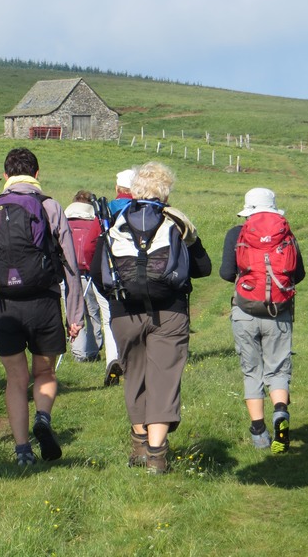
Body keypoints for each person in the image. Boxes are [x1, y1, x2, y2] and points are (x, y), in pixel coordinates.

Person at [91, 161, 212, 474]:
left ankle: (138, 440)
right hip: (169, 312)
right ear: (166, 193)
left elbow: (97, 272)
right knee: (164, 378)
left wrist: (118, 305)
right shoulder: (176, 223)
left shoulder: (114, 221)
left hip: (123, 312)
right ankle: (156, 455)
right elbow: (204, 268)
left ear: (133, 191)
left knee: (134, 374)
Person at [0, 148, 84, 465]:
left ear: (5, 177)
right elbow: (70, 264)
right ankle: (43, 419)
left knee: (16, 379)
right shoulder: (49, 206)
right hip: (43, 302)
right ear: (36, 174)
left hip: (1, 306)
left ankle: (22, 451)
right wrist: (75, 315)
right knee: (44, 372)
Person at [220, 188, 305, 453]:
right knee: (278, 368)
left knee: (251, 370)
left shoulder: (237, 232)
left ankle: (258, 431)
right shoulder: (285, 233)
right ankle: (280, 412)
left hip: (245, 310)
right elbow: (298, 273)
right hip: (278, 311)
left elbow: (225, 273)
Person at [64, 190, 117, 367]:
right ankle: (94, 349)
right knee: (93, 312)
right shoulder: (94, 222)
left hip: (68, 274)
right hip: (90, 273)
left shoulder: (64, 220)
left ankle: (79, 352)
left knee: (74, 312)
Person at [101, 168, 135, 386]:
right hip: (139, 268)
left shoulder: (108, 209)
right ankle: (134, 357)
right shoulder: (144, 209)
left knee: (109, 316)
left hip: (112, 267)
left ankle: (114, 357)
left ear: (117, 188)